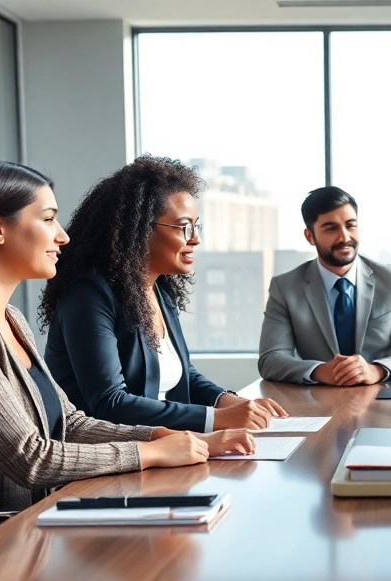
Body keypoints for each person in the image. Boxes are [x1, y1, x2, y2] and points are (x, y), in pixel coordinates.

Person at [0, 159, 255, 581]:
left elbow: (70, 422)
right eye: (48, 219)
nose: (63, 236)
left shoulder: (10, 320)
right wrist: (149, 453)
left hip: (22, 543)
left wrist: (160, 437)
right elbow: (30, 457)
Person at [41, 156, 286, 431]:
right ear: (139, 228)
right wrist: (215, 419)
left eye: (197, 226)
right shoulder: (89, 294)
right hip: (106, 458)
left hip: (159, 449)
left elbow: (183, 374)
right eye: (185, 227)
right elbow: (109, 402)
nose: (196, 238)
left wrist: (229, 401)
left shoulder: (158, 289)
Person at [258, 186, 391, 385]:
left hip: (383, 399)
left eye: (351, 226)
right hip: (317, 403)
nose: (345, 237)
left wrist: (376, 371)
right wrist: (318, 371)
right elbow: (270, 359)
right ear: (310, 237)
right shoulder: (285, 288)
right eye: (331, 228)